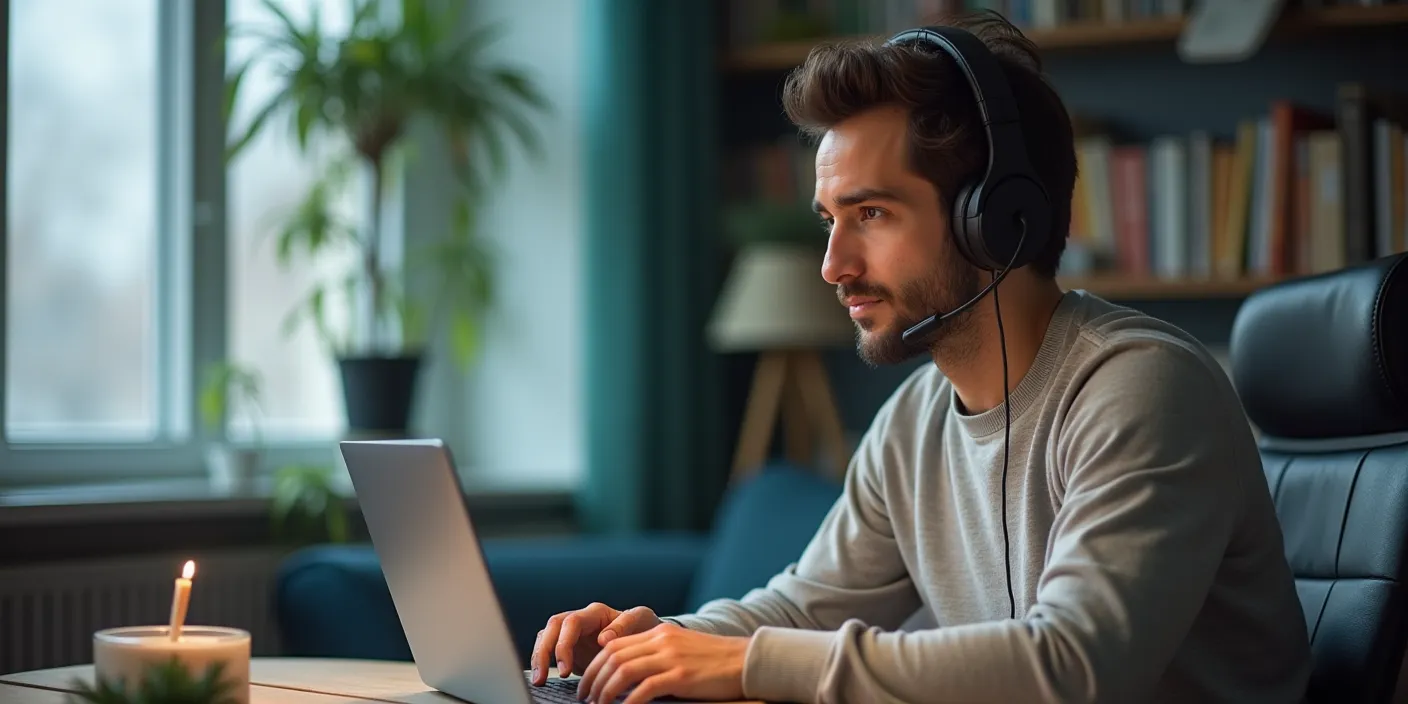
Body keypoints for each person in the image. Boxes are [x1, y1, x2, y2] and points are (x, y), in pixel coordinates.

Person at [530, 11, 1312, 704]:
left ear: (994, 220)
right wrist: (656, 645)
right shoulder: (913, 419)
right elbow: (805, 607)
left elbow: (1074, 667)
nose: (833, 265)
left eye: (871, 213)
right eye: (829, 218)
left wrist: (744, 665)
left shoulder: (1142, 387)